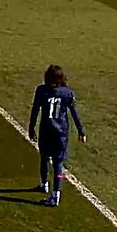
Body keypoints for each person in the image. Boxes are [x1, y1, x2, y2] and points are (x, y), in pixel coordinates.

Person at [28, 64, 86, 207]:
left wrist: (31, 127)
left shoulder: (41, 91)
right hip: (61, 133)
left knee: (44, 157)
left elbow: (35, 110)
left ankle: (44, 184)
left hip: (46, 131)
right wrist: (81, 130)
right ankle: (55, 193)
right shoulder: (67, 93)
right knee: (58, 163)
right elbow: (74, 113)